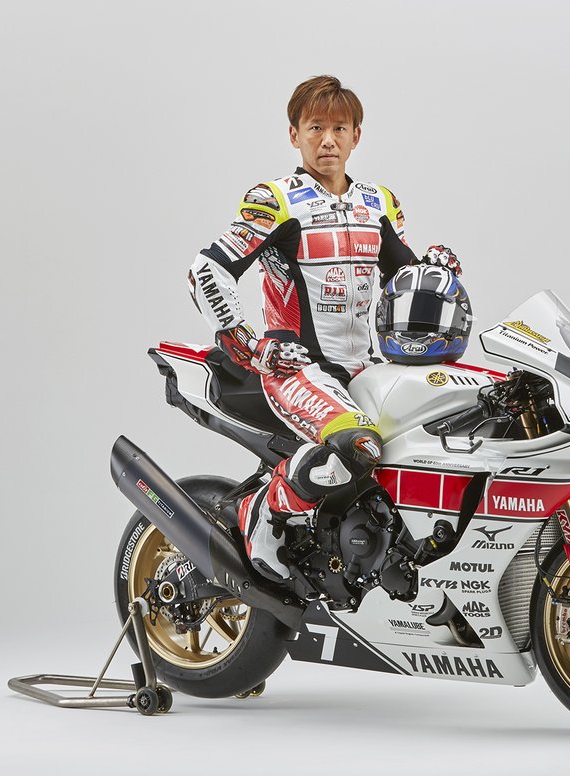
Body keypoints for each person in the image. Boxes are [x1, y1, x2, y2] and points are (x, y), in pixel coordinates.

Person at [187, 75, 462, 581]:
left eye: (339, 128)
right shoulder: (276, 200)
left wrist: (433, 269)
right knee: (358, 446)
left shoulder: (378, 203)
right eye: (315, 127)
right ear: (295, 134)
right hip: (296, 367)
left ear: (357, 136)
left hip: (366, 367)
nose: (328, 140)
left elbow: (402, 276)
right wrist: (248, 343)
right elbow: (208, 270)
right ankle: (262, 513)